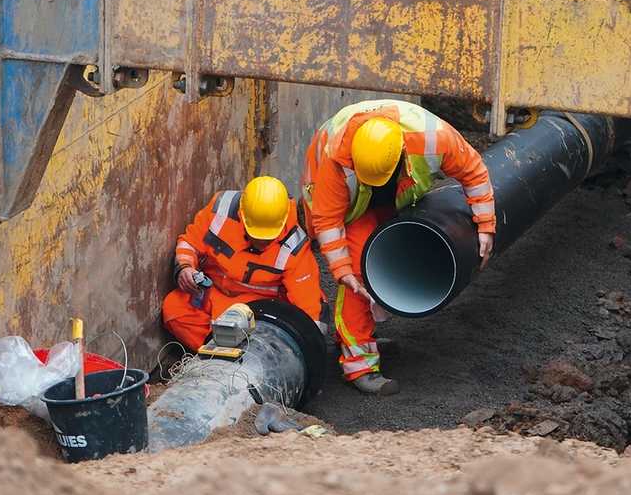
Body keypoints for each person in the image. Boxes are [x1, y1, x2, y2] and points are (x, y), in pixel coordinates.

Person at [302, 99, 496, 395]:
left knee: (379, 260)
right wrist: (342, 271)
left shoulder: (434, 137)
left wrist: (485, 224)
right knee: (357, 274)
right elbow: (328, 221)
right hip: (351, 207)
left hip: (396, 193)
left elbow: (474, 171)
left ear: (401, 153)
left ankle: (361, 335)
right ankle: (360, 366)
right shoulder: (335, 158)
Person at [162, 175, 323, 350]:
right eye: (255, 235)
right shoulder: (219, 212)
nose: (262, 243)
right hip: (215, 295)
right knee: (174, 309)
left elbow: (308, 308)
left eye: (268, 238)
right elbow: (190, 242)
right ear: (241, 215)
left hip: (263, 311)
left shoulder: (296, 244)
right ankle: (218, 356)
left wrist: (308, 347)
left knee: (292, 334)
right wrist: (185, 268)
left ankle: (248, 356)